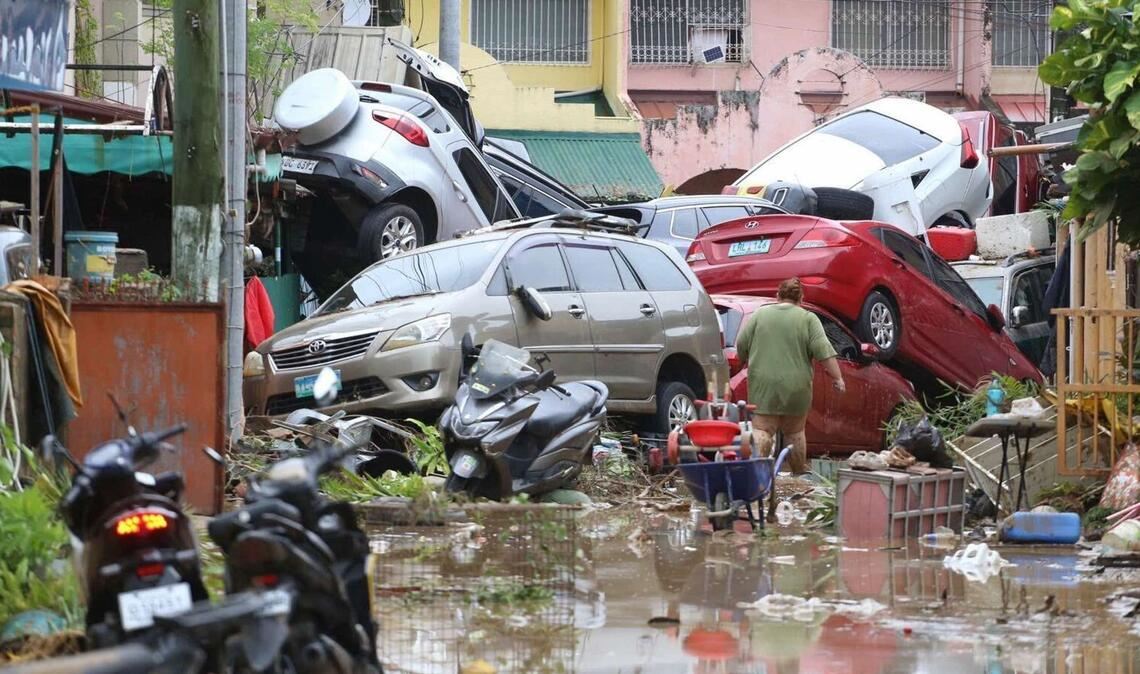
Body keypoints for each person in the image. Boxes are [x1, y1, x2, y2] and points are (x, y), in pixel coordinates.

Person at [735, 278, 845, 474]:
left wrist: (743, 359)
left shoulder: (760, 314)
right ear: (801, 298)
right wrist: (838, 378)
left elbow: (741, 345)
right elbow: (824, 351)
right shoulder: (808, 318)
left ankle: (757, 476)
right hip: (797, 387)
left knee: (763, 430)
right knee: (795, 433)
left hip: (763, 385)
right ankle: (797, 477)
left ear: (777, 296)